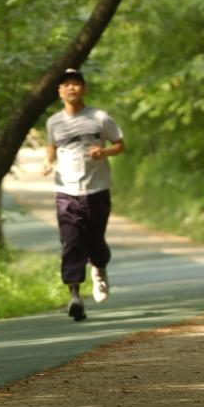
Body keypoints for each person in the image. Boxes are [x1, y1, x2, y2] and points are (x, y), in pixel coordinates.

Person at [42, 68, 125, 321]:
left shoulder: (100, 118)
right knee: (71, 242)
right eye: (66, 84)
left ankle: (99, 268)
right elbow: (52, 147)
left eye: (76, 84)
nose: (71, 88)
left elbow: (120, 145)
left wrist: (105, 153)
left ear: (84, 89)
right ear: (59, 92)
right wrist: (48, 163)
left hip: (96, 189)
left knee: (95, 240)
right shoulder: (53, 122)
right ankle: (75, 296)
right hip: (66, 191)